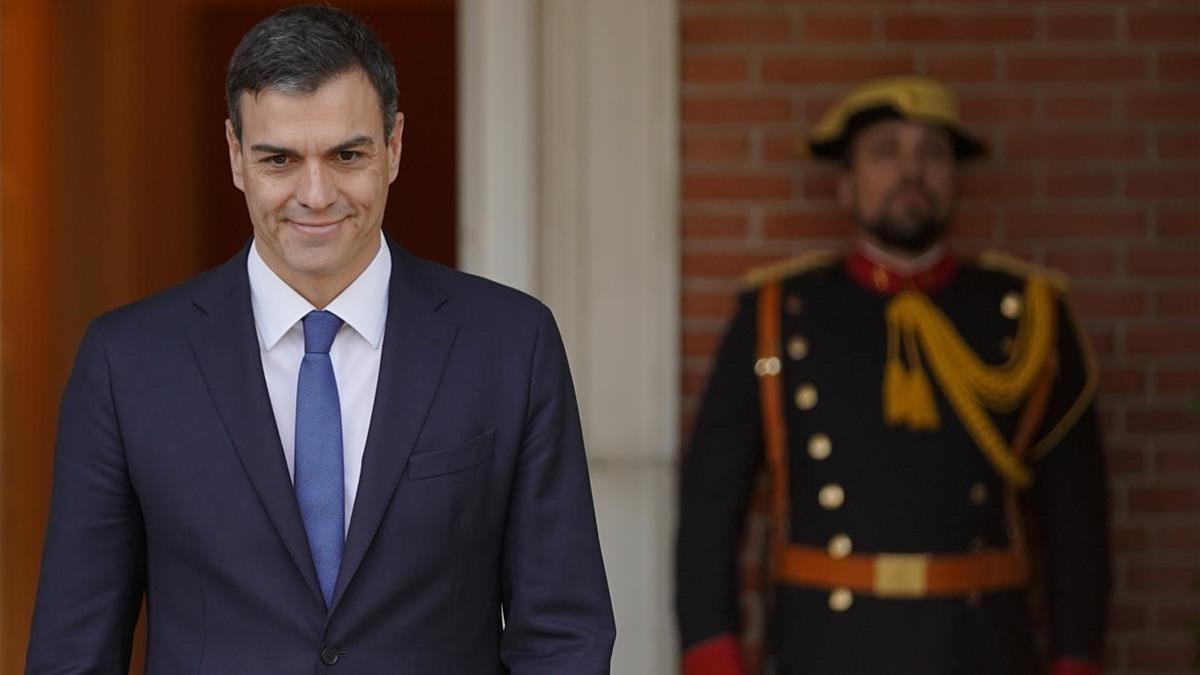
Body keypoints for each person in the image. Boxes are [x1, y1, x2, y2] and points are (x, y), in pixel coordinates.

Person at [26, 6, 614, 673]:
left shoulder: (510, 345)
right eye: (279, 158)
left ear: (393, 147)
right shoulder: (126, 363)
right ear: (235, 156)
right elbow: (73, 652)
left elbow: (563, 632)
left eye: (346, 154)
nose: (315, 193)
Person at [675, 76, 1109, 675]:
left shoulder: (1029, 315)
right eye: (886, 152)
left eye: (931, 153)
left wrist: (1077, 658)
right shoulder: (778, 312)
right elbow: (709, 505)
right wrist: (712, 651)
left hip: (982, 646)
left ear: (955, 178)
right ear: (845, 184)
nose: (912, 171)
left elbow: (1077, 516)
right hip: (826, 648)